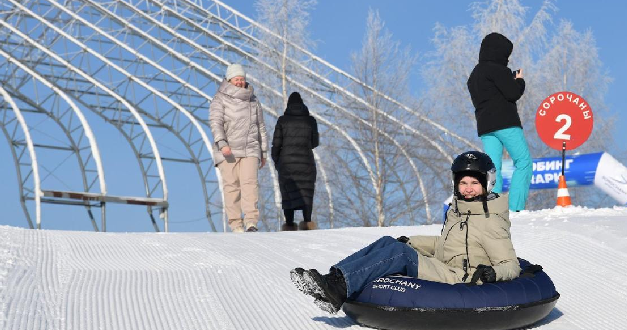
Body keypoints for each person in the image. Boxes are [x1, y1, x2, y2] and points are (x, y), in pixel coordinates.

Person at [290, 151, 521, 314]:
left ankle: (338, 289)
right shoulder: (458, 212)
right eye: (463, 183)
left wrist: (493, 273)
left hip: (461, 277)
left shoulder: (491, 220)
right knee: (388, 242)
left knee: (400, 254)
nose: (468, 189)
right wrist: (412, 241)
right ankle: (333, 279)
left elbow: (510, 264)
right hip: (444, 265)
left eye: (474, 183)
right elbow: (445, 243)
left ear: (486, 183)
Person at [467, 32, 533, 212]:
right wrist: (519, 81)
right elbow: (512, 93)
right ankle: (515, 207)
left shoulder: (474, 74)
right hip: (506, 123)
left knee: (492, 168)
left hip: (485, 127)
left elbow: (491, 92)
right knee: (523, 162)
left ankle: (492, 208)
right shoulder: (498, 69)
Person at [209, 63, 268, 232]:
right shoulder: (219, 98)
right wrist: (222, 144)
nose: (240, 82)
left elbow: (260, 127)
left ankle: (251, 222)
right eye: (237, 79)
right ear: (229, 79)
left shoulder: (253, 100)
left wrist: (263, 151)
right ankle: (236, 224)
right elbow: (216, 123)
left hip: (250, 148)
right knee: (232, 186)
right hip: (229, 150)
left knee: (250, 184)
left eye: (242, 79)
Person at [272, 92, 319, 231]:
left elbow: (276, 144)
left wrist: (277, 162)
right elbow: (314, 143)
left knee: (288, 194)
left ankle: (290, 224)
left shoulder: (282, 120)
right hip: (306, 163)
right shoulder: (311, 121)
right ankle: (307, 222)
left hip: (286, 164)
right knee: (306, 192)